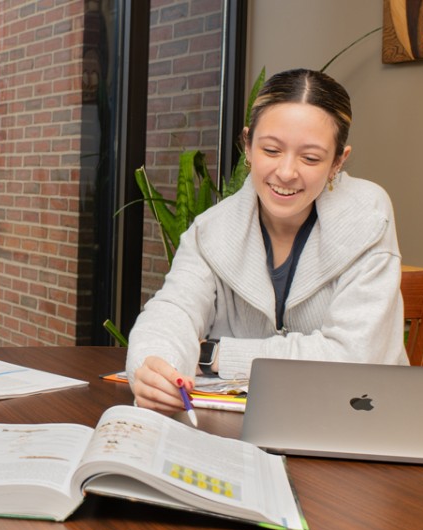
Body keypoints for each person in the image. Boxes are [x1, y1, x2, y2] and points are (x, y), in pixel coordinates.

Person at [126, 68, 407, 414]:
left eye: (310, 158)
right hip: (239, 433)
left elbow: (351, 358)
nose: (286, 172)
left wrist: (214, 354)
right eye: (271, 150)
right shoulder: (211, 230)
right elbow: (173, 311)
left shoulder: (368, 216)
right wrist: (156, 364)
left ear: (338, 161)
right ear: (247, 144)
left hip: (354, 426)